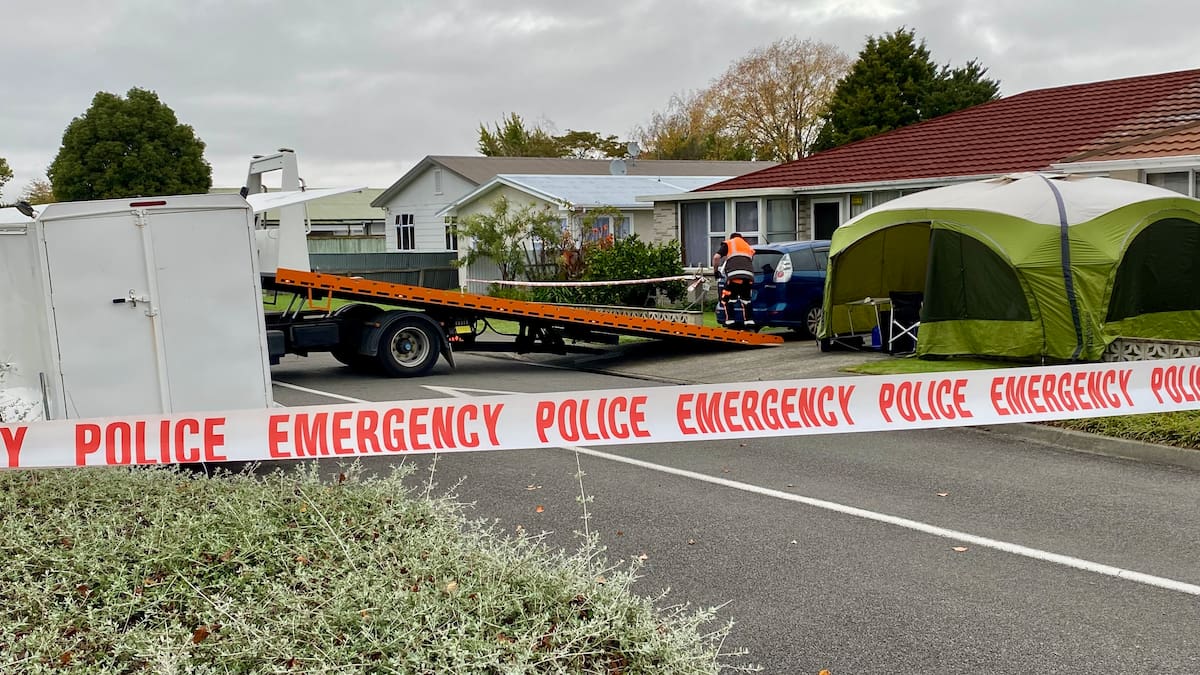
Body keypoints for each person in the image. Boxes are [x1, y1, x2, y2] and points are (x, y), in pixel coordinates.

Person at [712, 232, 755, 326]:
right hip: (748, 277)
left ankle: (730, 322)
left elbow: (716, 258)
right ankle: (749, 323)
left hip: (735, 276)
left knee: (726, 298)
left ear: (731, 238)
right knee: (746, 300)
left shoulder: (729, 243)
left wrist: (715, 271)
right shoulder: (748, 247)